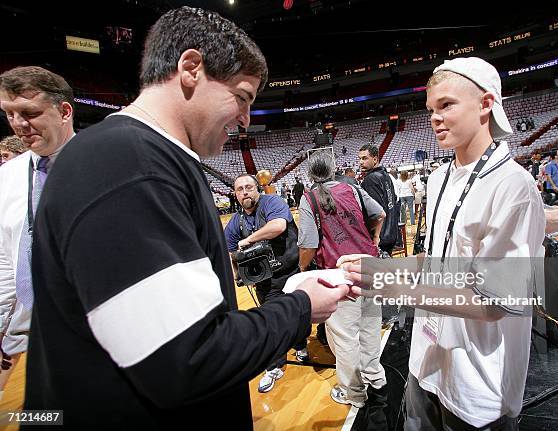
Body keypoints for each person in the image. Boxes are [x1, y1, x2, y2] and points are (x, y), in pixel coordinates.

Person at [25, 8, 349, 428]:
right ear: (191, 68)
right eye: (243, 97)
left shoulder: (146, 158)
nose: (246, 120)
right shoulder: (124, 162)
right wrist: (301, 306)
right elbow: (189, 359)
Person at [341, 57, 545, 430]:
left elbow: (494, 302)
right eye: (431, 109)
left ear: (486, 104)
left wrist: (391, 286)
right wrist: (375, 267)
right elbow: (433, 261)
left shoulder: (514, 187)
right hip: (426, 364)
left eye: (447, 105)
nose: (434, 117)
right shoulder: (437, 180)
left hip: (478, 386)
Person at [0, 66, 76, 400]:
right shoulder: (7, 177)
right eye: (9, 114)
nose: (18, 124)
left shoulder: (104, 162)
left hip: (86, 325)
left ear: (64, 112)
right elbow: (5, 252)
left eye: (29, 113)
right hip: (23, 318)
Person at [297, 151, 386, 408]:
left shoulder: (309, 198)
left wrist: (303, 268)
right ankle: (375, 377)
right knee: (370, 329)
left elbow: (308, 245)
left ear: (310, 173)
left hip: (340, 274)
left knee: (346, 339)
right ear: (334, 167)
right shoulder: (354, 189)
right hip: (369, 266)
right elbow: (379, 214)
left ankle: (354, 393)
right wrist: (375, 238)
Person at [224, 174, 308, 393]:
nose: (245, 192)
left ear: (257, 189)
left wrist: (249, 240)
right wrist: (236, 273)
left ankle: (300, 344)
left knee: (299, 314)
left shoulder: (272, 202)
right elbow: (229, 250)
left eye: (249, 187)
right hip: (264, 280)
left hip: (290, 270)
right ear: (236, 194)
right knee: (272, 321)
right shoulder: (236, 220)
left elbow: (278, 226)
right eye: (240, 189)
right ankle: (275, 366)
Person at [358, 143, 399, 255]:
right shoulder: (386, 176)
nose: (361, 162)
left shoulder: (371, 179)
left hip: (380, 237)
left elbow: (376, 213)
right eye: (360, 158)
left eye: (364, 158)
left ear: (375, 159)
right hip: (392, 233)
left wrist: (375, 236)